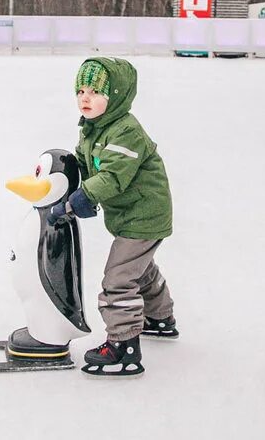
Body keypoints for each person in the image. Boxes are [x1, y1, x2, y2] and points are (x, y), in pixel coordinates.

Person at [48, 57, 176, 377]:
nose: (85, 97)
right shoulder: (93, 128)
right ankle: (160, 318)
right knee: (140, 271)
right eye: (80, 90)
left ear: (117, 95)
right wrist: (62, 178)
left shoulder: (126, 131)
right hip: (129, 213)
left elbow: (113, 177)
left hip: (143, 215)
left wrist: (80, 199)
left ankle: (124, 345)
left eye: (95, 91)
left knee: (118, 279)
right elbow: (84, 163)